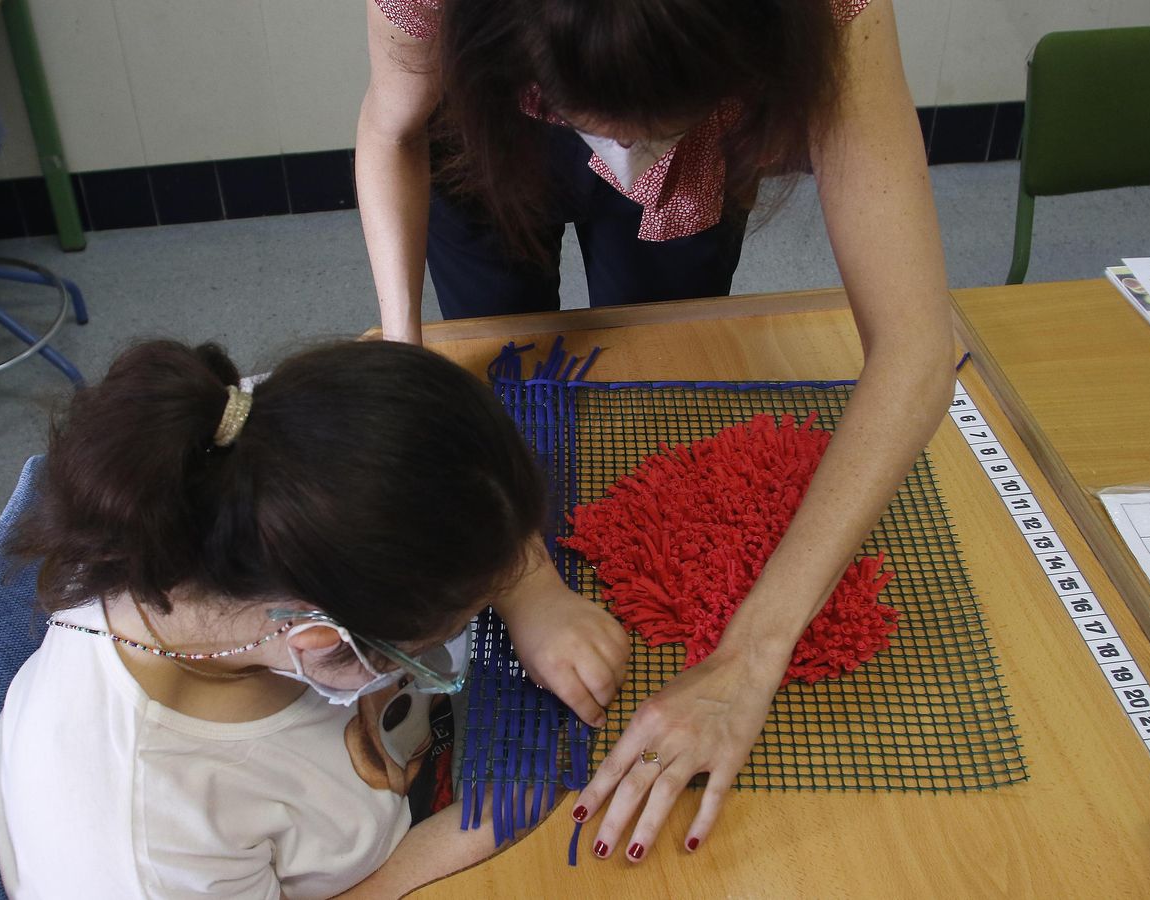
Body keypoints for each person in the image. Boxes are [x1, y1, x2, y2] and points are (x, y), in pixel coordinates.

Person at [356, 0, 956, 862]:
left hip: (700, 144)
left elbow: (916, 345)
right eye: (598, 120)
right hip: (488, 134)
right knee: (504, 354)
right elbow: (392, 127)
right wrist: (407, 364)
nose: (622, 153)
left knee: (660, 347)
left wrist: (749, 658)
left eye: (651, 125)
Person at [0, 339, 629, 898]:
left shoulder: (253, 439)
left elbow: (454, 480)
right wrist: (465, 837)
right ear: (325, 645)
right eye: (432, 639)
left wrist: (534, 592)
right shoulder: (149, 845)